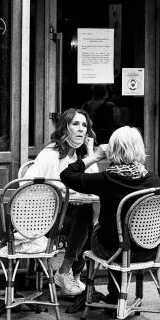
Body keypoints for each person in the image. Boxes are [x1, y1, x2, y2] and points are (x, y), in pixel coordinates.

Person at [60, 126, 160, 306]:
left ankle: (106, 293)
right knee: (118, 234)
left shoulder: (107, 180)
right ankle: (117, 298)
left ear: (113, 150)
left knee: (103, 230)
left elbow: (67, 175)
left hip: (113, 251)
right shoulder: (153, 180)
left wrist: (96, 156)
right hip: (149, 250)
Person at [31, 108, 99, 297]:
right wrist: (57, 189)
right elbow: (28, 185)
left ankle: (69, 273)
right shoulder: (50, 154)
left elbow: (95, 183)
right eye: (75, 124)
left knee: (88, 220)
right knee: (86, 220)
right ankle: (69, 273)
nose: (81, 129)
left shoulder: (81, 157)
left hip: (68, 215)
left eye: (84, 125)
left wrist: (91, 153)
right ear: (65, 128)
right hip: (44, 216)